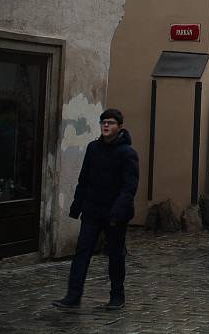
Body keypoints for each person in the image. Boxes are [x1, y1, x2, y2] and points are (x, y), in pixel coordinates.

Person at [53, 109, 139, 310]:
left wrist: (117, 212)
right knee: (82, 252)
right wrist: (77, 206)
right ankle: (73, 296)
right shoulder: (93, 148)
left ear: (119, 127)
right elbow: (84, 179)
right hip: (92, 209)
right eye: (103, 122)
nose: (106, 126)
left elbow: (129, 187)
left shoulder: (127, 153)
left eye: (110, 123)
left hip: (115, 214)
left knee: (116, 255)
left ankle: (117, 295)